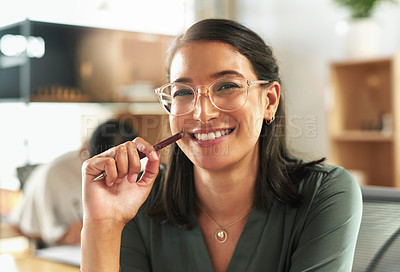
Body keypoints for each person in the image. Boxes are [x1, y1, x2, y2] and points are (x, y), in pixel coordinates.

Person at [81, 19, 362, 271]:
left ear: (270, 101)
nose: (203, 113)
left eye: (227, 86)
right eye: (183, 92)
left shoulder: (324, 194)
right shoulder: (139, 201)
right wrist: (102, 226)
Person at [10, 119, 138, 247]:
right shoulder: (55, 174)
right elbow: (27, 227)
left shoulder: (134, 175)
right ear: (86, 148)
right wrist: (66, 235)